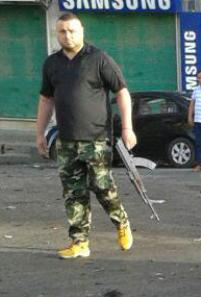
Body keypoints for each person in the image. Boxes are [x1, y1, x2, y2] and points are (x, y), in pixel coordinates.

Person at [36, 12, 135, 260]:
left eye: (72, 30)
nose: (67, 35)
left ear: (82, 31)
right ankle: (79, 242)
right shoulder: (52, 64)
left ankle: (121, 222)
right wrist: (40, 132)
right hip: (66, 139)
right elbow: (46, 99)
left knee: (102, 186)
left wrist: (127, 127)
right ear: (56, 33)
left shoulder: (99, 59)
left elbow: (122, 92)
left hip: (97, 138)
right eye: (62, 31)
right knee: (73, 192)